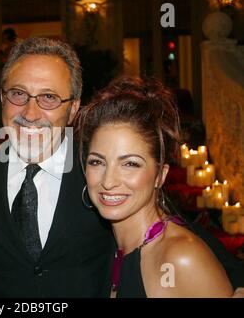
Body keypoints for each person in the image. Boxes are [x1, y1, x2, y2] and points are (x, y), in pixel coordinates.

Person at [0, 37, 244, 297]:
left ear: (73, 108)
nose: (30, 112)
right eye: (18, 94)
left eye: (48, 97)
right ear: (3, 99)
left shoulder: (101, 169)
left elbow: (190, 246)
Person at [76, 76, 237, 297]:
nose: (108, 181)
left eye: (130, 164)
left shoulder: (181, 257)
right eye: (97, 162)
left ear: (160, 175)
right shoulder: (107, 248)